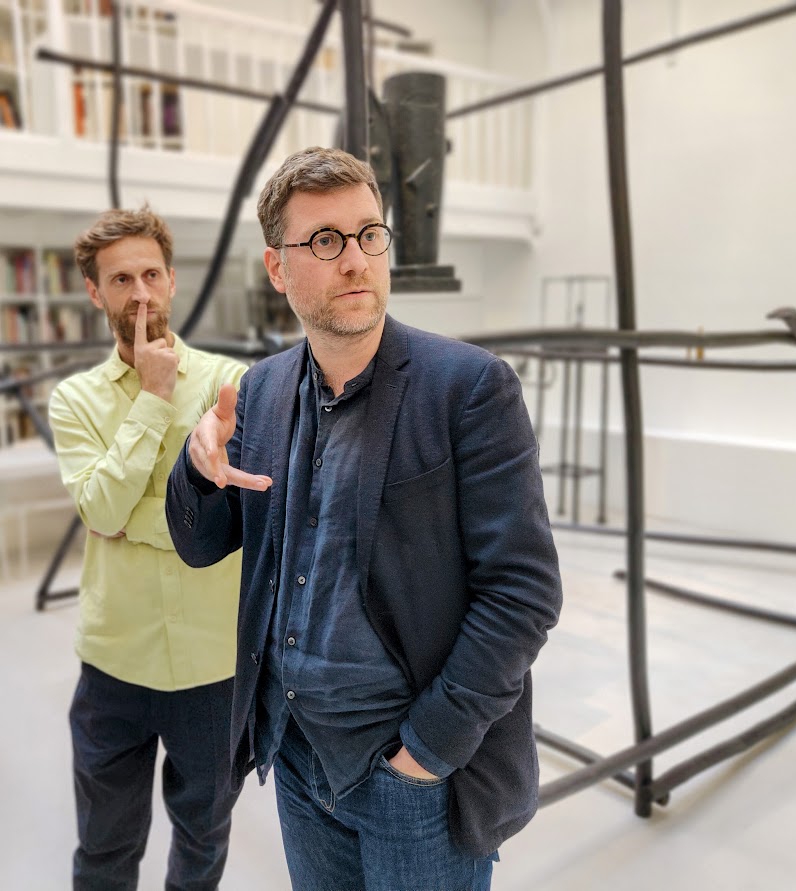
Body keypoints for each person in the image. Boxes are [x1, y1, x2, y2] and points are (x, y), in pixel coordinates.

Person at [165, 146, 562, 891]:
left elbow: (522, 593)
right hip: (295, 752)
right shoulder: (260, 391)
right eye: (323, 240)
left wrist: (424, 756)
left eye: (367, 234)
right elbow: (199, 544)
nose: (354, 259)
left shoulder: (467, 388)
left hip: (411, 776)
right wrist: (194, 465)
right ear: (277, 269)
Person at [48, 206, 248, 890]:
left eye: (151, 274)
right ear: (94, 292)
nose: (139, 293)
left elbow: (242, 515)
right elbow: (98, 507)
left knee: (203, 840)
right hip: (115, 663)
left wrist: (134, 517)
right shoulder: (73, 400)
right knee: (103, 848)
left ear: (171, 280)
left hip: (213, 667)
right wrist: (155, 399)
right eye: (121, 279)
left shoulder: (232, 384)